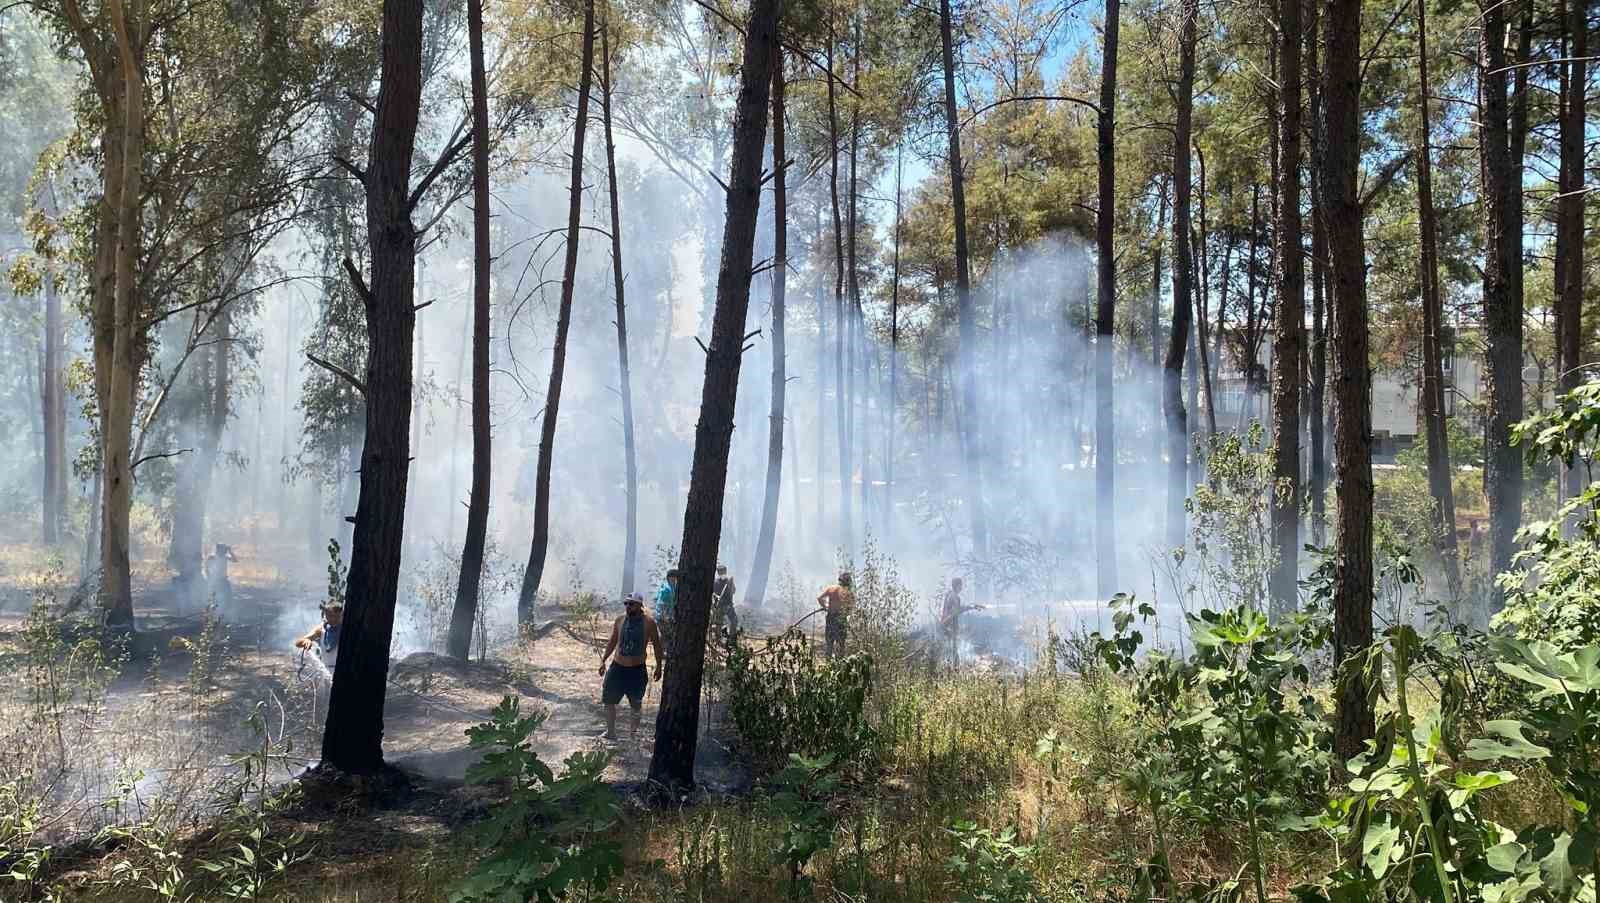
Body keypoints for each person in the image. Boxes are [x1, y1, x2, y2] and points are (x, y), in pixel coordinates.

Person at [597, 592, 663, 740]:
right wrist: (603, 660)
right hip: (617, 667)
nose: (628, 606)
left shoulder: (649, 623)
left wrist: (659, 666)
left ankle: (633, 735)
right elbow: (613, 641)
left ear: (640, 605)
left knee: (636, 704)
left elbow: (657, 645)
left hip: (637, 671)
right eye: (626, 603)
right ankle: (610, 732)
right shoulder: (620, 620)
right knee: (608, 700)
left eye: (631, 604)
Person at [938, 577, 983, 667]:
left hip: (945, 625)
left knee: (949, 649)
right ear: (957, 586)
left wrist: (973, 606)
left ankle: (950, 667)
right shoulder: (955, 597)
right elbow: (957, 611)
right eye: (961, 585)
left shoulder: (949, 594)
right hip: (950, 627)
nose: (962, 587)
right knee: (953, 650)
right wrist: (972, 607)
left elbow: (951, 611)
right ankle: (954, 669)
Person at [294, 599, 344, 677]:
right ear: (326, 615)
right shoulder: (322, 629)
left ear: (342, 615)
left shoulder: (346, 629)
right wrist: (306, 641)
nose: (333, 619)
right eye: (330, 616)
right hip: (326, 672)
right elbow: (298, 643)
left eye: (337, 616)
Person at [817, 571, 854, 659]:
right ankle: (839, 663)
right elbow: (850, 610)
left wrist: (826, 607)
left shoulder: (831, 588)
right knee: (841, 644)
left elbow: (819, 598)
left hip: (830, 617)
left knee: (829, 643)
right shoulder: (849, 594)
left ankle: (828, 661)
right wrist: (845, 613)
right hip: (841, 620)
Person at [654, 569, 680, 670]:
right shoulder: (667, 589)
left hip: (663, 616)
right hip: (663, 617)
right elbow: (662, 604)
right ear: (670, 578)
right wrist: (666, 617)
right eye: (675, 578)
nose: (676, 580)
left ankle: (660, 653)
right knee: (668, 636)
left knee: (664, 636)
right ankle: (665, 654)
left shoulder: (669, 587)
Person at [712, 563, 740, 636]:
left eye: (723, 571)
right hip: (719, 606)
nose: (722, 573)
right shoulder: (716, 582)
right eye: (720, 572)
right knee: (718, 624)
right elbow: (713, 593)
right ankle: (718, 638)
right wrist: (717, 597)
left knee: (734, 621)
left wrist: (731, 584)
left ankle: (731, 638)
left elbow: (733, 591)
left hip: (729, 605)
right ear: (718, 573)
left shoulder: (729, 581)